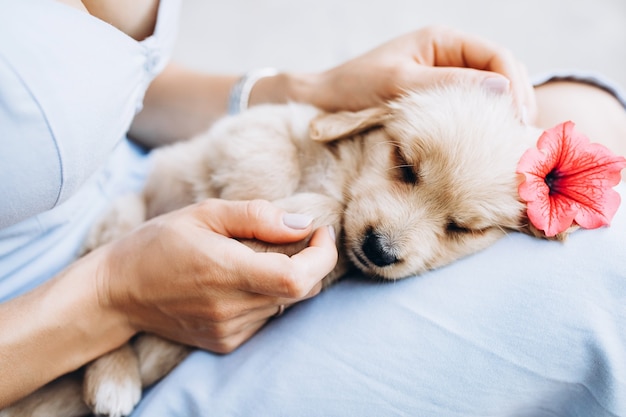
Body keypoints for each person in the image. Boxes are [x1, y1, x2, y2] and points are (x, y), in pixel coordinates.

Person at [1, 0, 625, 415]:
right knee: (603, 291)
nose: (393, 236)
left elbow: (133, 84)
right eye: (406, 170)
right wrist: (114, 294)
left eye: (458, 225)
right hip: (54, 325)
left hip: (149, 185)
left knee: (594, 120)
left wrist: (308, 88)